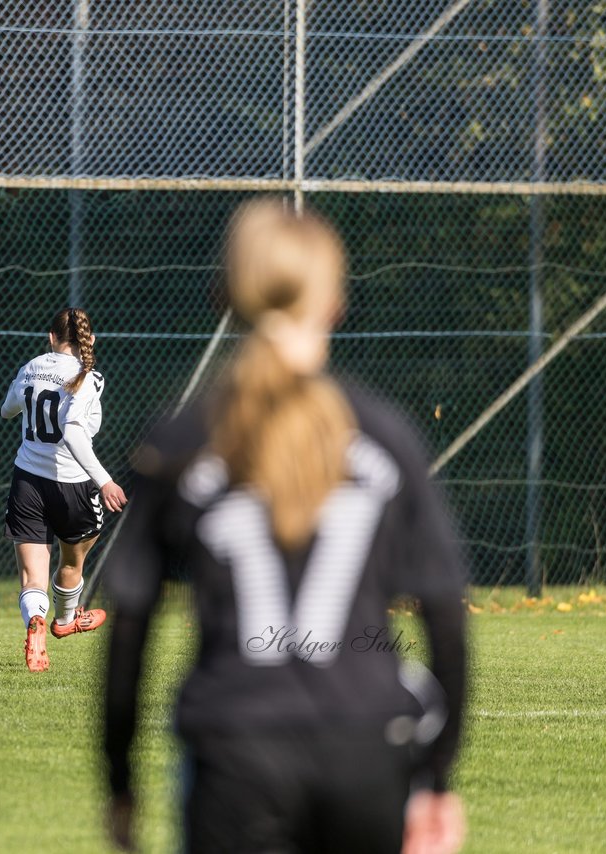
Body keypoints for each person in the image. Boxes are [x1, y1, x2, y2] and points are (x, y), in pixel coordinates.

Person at [101, 199, 469, 853]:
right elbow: (445, 615)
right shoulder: (385, 437)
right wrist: (435, 778)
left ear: (222, 298)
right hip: (365, 751)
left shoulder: (178, 442)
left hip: (236, 752)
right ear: (334, 304)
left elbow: (130, 625)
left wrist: (121, 782)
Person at [1, 307, 128, 673]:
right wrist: (104, 480)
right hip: (74, 486)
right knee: (71, 564)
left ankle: (40, 622)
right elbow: (73, 430)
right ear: (90, 341)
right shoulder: (87, 377)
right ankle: (64, 619)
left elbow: (7, 410)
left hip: (27, 481)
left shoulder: (30, 367)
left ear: (51, 337)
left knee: (32, 578)